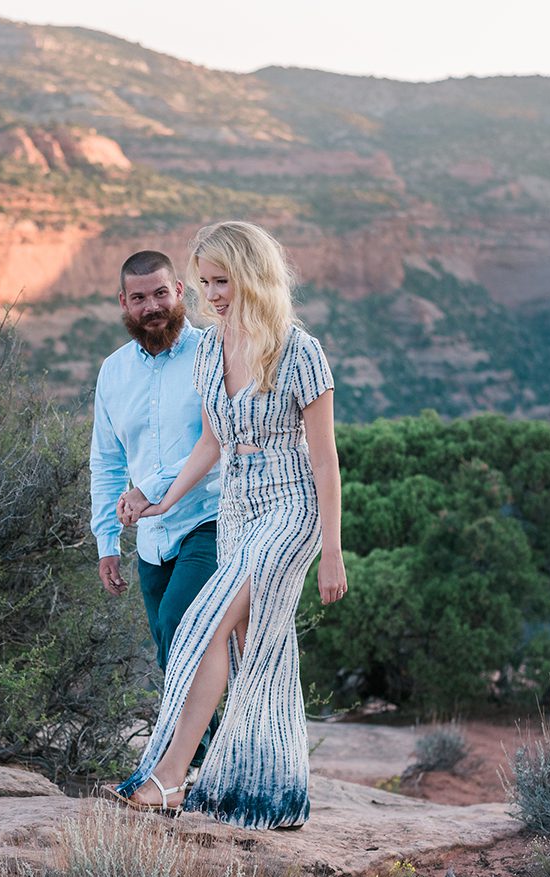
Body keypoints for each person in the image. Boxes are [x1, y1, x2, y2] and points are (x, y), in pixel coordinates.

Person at [108, 221, 348, 830]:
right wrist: (163, 501)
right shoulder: (212, 349)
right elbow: (215, 439)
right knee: (246, 650)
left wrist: (332, 551)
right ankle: (264, 792)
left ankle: (165, 778)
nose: (213, 294)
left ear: (253, 277)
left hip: (291, 511)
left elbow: (325, 460)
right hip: (239, 510)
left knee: (199, 625)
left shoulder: (299, 351)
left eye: (224, 281)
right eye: (206, 282)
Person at [90, 250, 222, 769]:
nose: (153, 307)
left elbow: (220, 444)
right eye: (140, 298)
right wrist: (106, 542)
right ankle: (203, 762)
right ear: (124, 303)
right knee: (175, 654)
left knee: (179, 629)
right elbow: (104, 461)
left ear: (180, 294)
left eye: (161, 294)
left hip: (209, 521)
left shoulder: (211, 352)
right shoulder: (113, 373)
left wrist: (149, 486)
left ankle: (187, 763)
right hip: (150, 541)